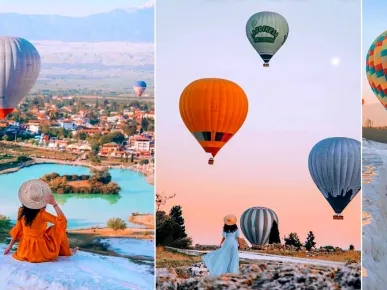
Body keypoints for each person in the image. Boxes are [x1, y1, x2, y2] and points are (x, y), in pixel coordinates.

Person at [3, 179, 78, 262]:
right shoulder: (42, 214)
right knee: (57, 229)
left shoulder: (21, 211)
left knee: (50, 230)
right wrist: (54, 204)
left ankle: (68, 250)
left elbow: (17, 230)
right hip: (40, 252)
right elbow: (63, 222)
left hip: (24, 251)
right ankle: (67, 251)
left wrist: (9, 246)